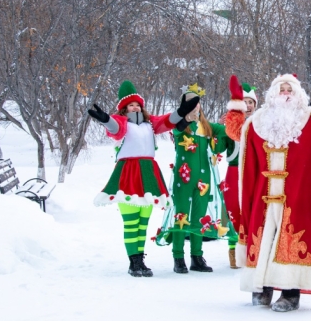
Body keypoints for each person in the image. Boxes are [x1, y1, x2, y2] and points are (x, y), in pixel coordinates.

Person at [224, 73, 311, 312]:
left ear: (299, 93)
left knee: (292, 241)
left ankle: (291, 292)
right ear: (272, 95)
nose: (285, 93)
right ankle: (262, 287)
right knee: (266, 240)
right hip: (263, 194)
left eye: (290, 89)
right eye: (281, 89)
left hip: (300, 194)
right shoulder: (258, 121)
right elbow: (236, 132)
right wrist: (236, 104)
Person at [89, 80, 199, 277]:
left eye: (138, 104)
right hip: (128, 175)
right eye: (131, 105)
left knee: (143, 222)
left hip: (148, 174)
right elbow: (115, 130)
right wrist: (105, 119)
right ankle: (133, 261)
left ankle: (140, 259)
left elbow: (167, 121)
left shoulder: (149, 124)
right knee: (131, 221)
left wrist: (182, 111)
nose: (135, 107)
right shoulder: (122, 122)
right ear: (124, 108)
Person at [158, 84, 232, 274]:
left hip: (203, 178)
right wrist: (185, 119)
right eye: (189, 102)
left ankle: (197, 257)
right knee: (181, 215)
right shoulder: (179, 125)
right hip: (184, 178)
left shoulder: (205, 126)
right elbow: (177, 129)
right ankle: (178, 257)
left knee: (200, 217)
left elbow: (224, 131)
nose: (194, 106)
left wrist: (230, 122)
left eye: (196, 102)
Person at [217, 83, 258, 269]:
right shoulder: (230, 125)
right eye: (244, 102)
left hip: (257, 173)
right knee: (233, 211)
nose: (247, 105)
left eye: (251, 102)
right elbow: (217, 148)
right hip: (234, 172)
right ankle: (234, 250)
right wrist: (218, 129)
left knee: (255, 211)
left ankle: (254, 250)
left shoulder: (261, 123)